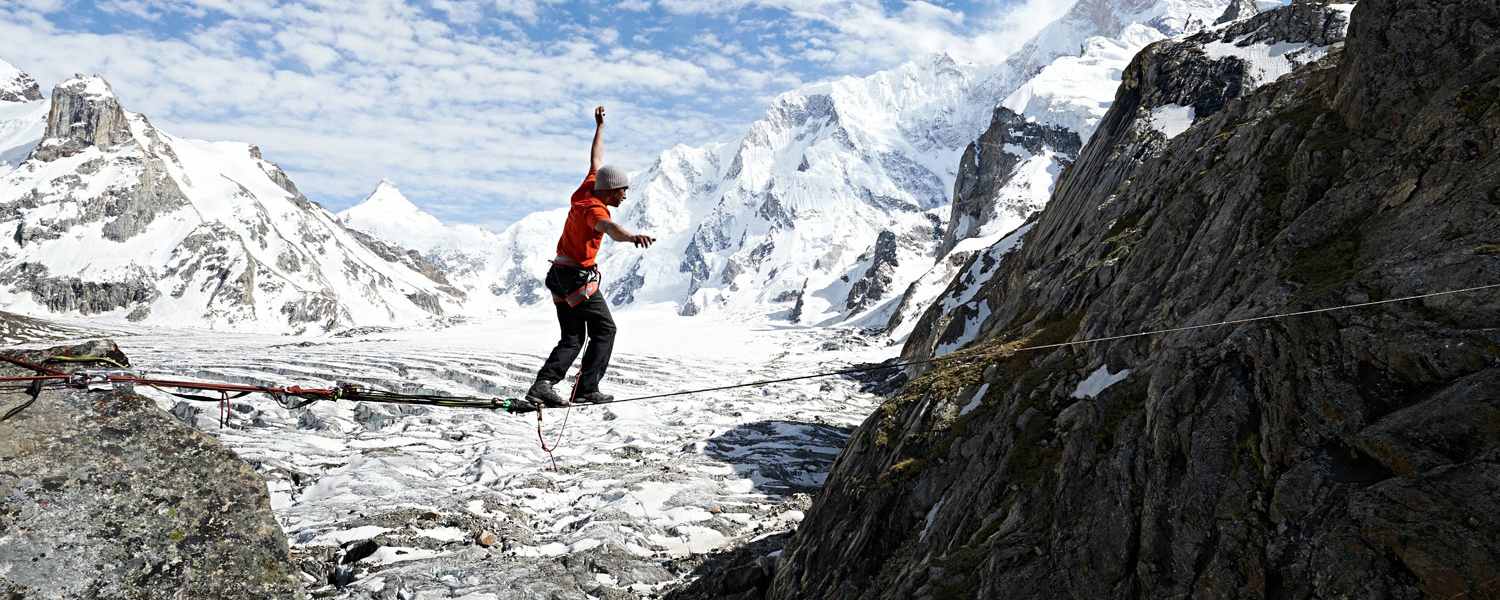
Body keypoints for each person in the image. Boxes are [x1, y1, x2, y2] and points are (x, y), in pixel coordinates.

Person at [527, 106, 655, 407]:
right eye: (623, 191)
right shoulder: (595, 209)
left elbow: (595, 158)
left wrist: (599, 127)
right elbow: (610, 228)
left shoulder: (588, 186)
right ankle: (586, 388)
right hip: (575, 279)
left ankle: (543, 384)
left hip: (558, 276)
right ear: (611, 191)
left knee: (573, 337)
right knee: (605, 329)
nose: (625, 195)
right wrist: (632, 237)